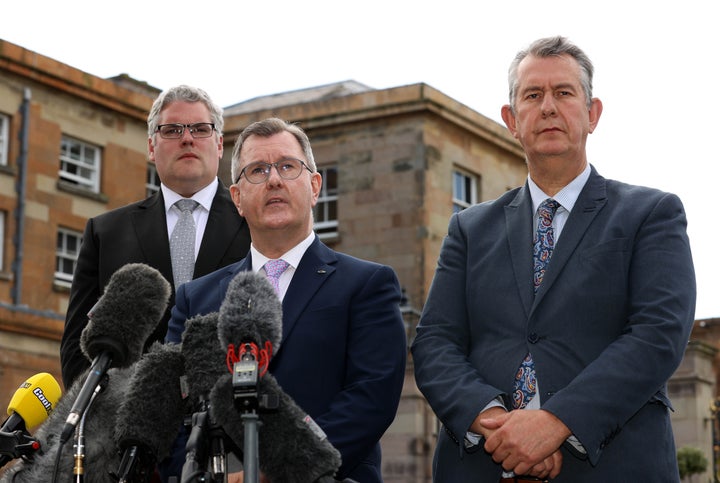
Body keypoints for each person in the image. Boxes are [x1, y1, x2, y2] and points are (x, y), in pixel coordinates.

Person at [411, 36, 696, 483]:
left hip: (614, 466)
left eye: (564, 93)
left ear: (592, 113)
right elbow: (434, 343)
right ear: (511, 120)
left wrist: (555, 422)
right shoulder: (468, 229)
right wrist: (500, 427)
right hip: (483, 466)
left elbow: (657, 335)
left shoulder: (651, 214)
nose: (548, 107)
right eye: (532, 95)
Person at [165, 117, 407, 482]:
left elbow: (370, 400)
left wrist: (272, 473)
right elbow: (168, 412)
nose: (274, 179)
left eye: (287, 166)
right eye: (258, 170)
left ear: (314, 187)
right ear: (237, 199)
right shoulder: (195, 298)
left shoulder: (368, 284)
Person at [60, 85, 251, 388]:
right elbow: (76, 349)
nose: (187, 138)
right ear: (151, 147)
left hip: (231, 418)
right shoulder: (105, 233)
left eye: (200, 129)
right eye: (172, 130)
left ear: (218, 145)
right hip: (130, 422)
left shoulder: (255, 225)